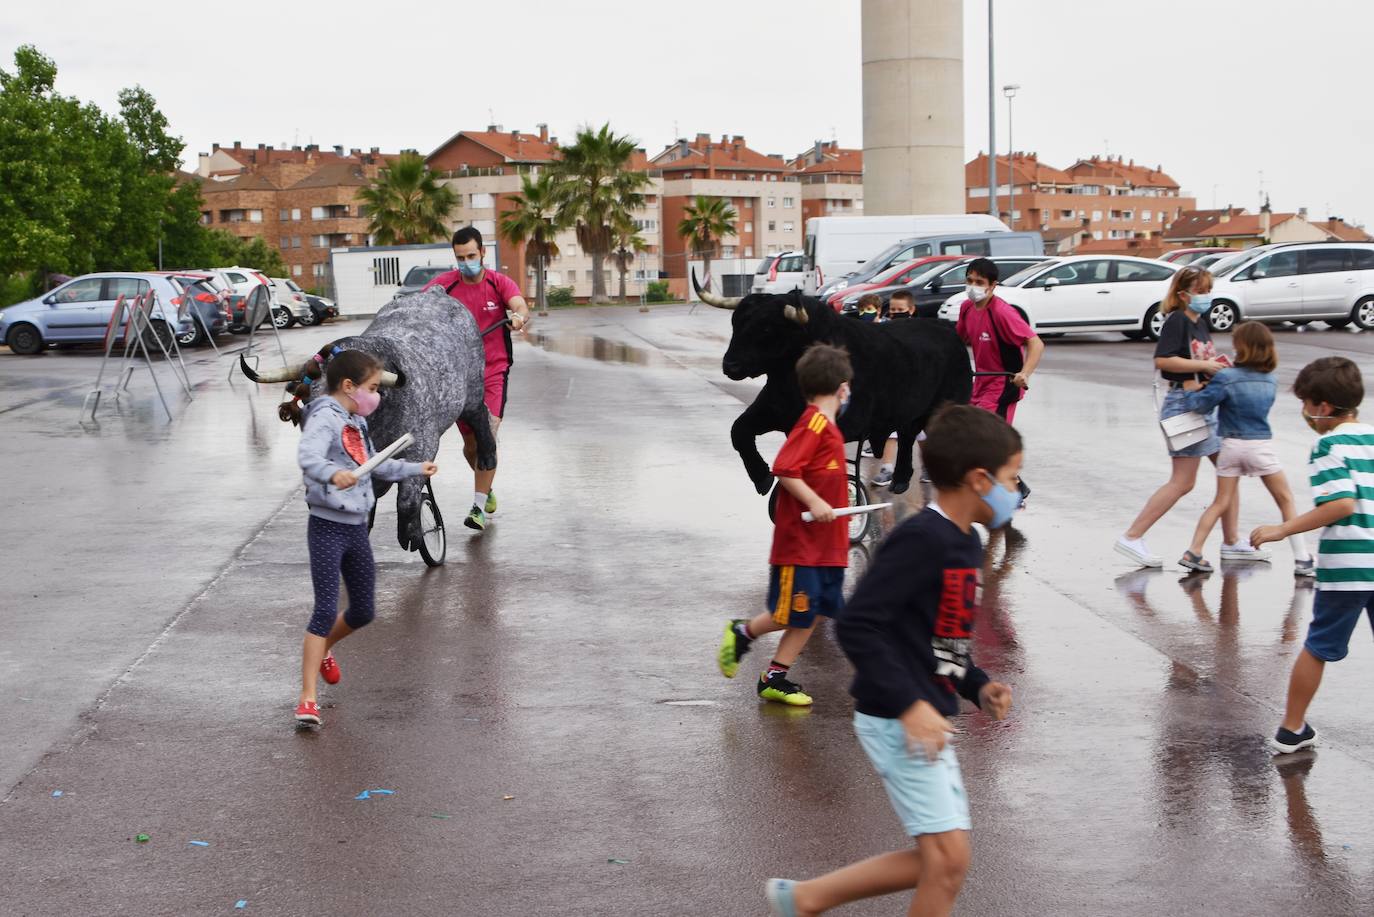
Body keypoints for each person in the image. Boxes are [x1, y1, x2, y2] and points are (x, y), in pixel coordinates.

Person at [763, 405, 1017, 917]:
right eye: (1013, 478)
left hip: (923, 716)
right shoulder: (922, 539)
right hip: (897, 717)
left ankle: (806, 899)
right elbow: (858, 624)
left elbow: (936, 638)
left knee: (942, 859)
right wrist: (910, 706)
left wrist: (976, 684)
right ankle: (806, 899)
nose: (1017, 492)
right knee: (947, 862)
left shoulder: (963, 543)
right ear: (979, 479)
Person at [294, 350, 438, 726]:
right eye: (372, 388)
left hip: (356, 526)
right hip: (327, 525)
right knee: (325, 609)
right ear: (349, 386)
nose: (376, 395)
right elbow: (308, 456)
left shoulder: (355, 420)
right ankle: (308, 699)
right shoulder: (325, 416)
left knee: (363, 611)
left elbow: (376, 463)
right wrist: (330, 474)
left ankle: (323, 647)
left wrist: (413, 467)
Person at [717, 344, 852, 707]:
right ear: (842, 387)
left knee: (811, 613)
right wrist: (816, 501)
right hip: (802, 546)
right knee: (789, 613)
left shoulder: (830, 429)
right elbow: (786, 468)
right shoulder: (815, 424)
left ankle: (775, 677)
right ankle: (741, 633)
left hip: (827, 547)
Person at [1252, 357, 1374, 754]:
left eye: (1306, 404)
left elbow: (1340, 504)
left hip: (1347, 567)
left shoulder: (1327, 443)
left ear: (1322, 408)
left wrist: (1282, 529)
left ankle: (1291, 728)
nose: (1305, 413)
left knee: (1319, 646)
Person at [1115, 265, 1267, 568]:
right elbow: (1163, 359)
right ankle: (1132, 537)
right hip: (1183, 403)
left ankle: (1231, 541)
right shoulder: (1177, 321)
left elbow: (1198, 360)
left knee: (1229, 470)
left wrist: (1213, 367)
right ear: (1183, 294)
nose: (1206, 296)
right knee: (1183, 482)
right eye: (1200, 290)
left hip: (1199, 403)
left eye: (1208, 289)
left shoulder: (1197, 323)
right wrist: (1208, 367)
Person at [1177, 322, 1314, 575]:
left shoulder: (1226, 377)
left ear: (1241, 347)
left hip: (1230, 446)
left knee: (1220, 502)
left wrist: (1191, 388)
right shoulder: (1270, 380)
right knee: (1285, 499)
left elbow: (1201, 405)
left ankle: (1194, 550)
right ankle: (1302, 558)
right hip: (1259, 445)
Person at [424, 226, 533, 532]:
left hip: (493, 371)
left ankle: (477, 508)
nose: (466, 262)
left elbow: (519, 304)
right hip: (459, 377)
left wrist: (517, 317)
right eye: (460, 257)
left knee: (489, 435)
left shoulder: (499, 282)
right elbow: (419, 308)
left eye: (471, 255)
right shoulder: (444, 285)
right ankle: (487, 486)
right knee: (471, 445)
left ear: (483, 253)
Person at [955, 258, 1042, 501]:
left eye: (979, 282)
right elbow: (959, 340)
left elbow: (1036, 343)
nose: (973, 286)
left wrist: (1024, 373)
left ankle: (1005, 492)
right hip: (981, 381)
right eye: (969, 280)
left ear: (993, 285)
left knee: (989, 438)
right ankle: (1013, 484)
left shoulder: (1003, 312)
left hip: (1004, 383)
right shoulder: (966, 308)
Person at [871, 291, 918, 488]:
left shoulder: (917, 331)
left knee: (922, 433)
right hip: (892, 390)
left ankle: (929, 469)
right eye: (893, 310)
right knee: (891, 431)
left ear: (911, 310)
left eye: (901, 310)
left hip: (914, 391)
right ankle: (887, 468)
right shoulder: (885, 329)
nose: (896, 313)